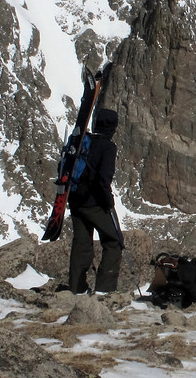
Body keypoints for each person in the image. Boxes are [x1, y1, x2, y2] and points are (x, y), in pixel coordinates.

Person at [68, 108, 122, 294]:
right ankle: (104, 290)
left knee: (81, 243)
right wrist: (108, 202)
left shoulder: (84, 141)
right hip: (94, 203)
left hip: (75, 200)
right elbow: (103, 179)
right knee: (113, 241)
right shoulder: (108, 146)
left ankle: (76, 288)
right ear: (112, 127)